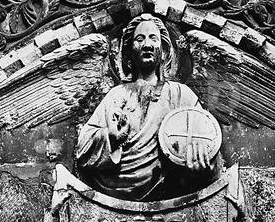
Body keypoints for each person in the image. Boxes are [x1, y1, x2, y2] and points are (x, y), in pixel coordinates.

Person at [76, 13, 219, 200]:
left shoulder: (180, 94)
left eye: (153, 38)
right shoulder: (117, 95)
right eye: (139, 39)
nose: (147, 45)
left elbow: (208, 141)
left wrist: (202, 158)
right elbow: (83, 147)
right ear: (129, 51)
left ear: (164, 50)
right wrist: (110, 137)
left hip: (169, 188)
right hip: (117, 188)